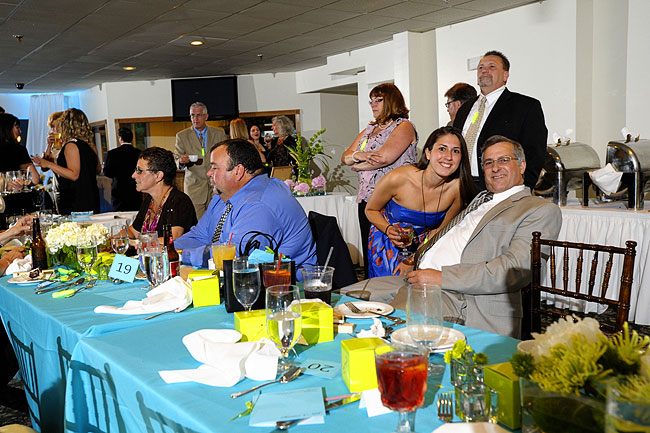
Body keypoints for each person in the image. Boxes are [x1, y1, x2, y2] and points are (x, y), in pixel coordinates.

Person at [398, 135, 562, 337]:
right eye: (489, 163)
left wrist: (441, 278)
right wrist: (417, 258)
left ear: (522, 166)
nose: (495, 168)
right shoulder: (480, 200)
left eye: (503, 160)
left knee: (387, 325)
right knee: (361, 295)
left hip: (461, 299)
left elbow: (515, 270)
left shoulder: (538, 209)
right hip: (417, 280)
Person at [175, 139, 317, 275]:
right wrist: (169, 250)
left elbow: (234, 257)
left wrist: (181, 256)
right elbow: (200, 235)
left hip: (285, 283)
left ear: (238, 171)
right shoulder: (222, 197)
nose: (209, 173)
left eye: (215, 168)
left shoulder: (259, 205)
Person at [365, 127, 476, 277]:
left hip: (424, 245)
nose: (448, 156)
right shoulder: (399, 178)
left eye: (455, 151)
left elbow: (440, 231)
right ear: (428, 153)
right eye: (442, 149)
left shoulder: (457, 189)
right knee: (388, 285)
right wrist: (388, 229)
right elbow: (370, 210)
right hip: (386, 239)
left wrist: (413, 259)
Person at [341, 83, 418, 278]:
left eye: (378, 100)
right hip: (367, 199)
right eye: (371, 101)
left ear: (391, 101)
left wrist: (358, 163)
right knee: (371, 254)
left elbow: (384, 158)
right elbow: (345, 157)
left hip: (393, 200)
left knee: (393, 253)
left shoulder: (403, 126)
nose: (373, 105)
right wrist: (361, 156)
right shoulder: (370, 129)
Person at [453, 50, 547, 190]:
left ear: (505, 75)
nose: (484, 70)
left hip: (503, 188)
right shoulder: (465, 108)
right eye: (480, 67)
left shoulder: (525, 106)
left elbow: (535, 154)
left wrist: (522, 189)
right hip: (462, 186)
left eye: (491, 66)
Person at [32, 108, 99, 215]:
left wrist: (49, 164)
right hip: (90, 197)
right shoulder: (88, 145)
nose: (57, 129)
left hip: (75, 200)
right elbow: (96, 169)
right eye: (53, 127)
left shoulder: (71, 145)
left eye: (60, 124)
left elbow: (74, 174)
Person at [129, 147, 196, 239]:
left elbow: (172, 240)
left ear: (158, 176)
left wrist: (142, 242)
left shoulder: (179, 201)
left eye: (139, 171)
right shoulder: (149, 200)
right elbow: (133, 231)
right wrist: (114, 238)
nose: (133, 175)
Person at [175, 102, 226, 219]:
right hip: (195, 189)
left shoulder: (219, 133)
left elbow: (226, 156)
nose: (195, 118)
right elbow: (176, 159)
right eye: (192, 115)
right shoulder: (182, 136)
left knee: (218, 220)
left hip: (217, 186)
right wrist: (181, 161)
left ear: (206, 116)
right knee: (199, 223)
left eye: (199, 115)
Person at [103, 127, 142, 211]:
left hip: (119, 190)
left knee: (120, 214)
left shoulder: (112, 153)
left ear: (120, 138)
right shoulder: (139, 153)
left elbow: (107, 172)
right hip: (135, 189)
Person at [0, 113, 39, 188]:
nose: (20, 131)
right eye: (17, 127)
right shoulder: (18, 150)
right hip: (13, 193)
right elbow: (35, 179)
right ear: (7, 128)